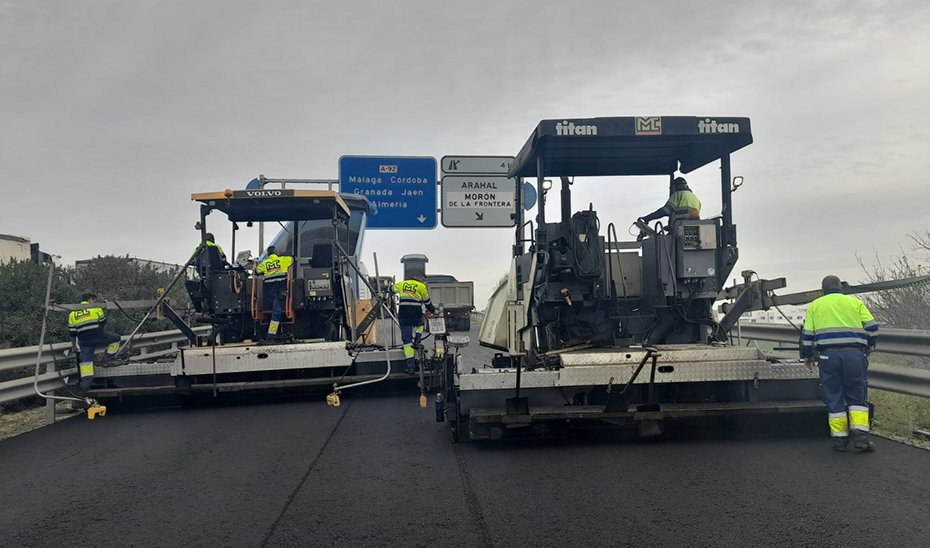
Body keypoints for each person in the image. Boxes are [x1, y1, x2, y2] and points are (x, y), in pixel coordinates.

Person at [801, 275, 880, 452]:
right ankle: (861, 439)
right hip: (854, 355)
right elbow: (873, 328)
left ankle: (839, 441)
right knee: (857, 396)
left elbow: (807, 336)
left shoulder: (815, 305)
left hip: (828, 357)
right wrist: (870, 346)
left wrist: (808, 356)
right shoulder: (854, 303)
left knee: (834, 396)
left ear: (823, 289)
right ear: (840, 287)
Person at [67, 293, 121, 390]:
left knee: (86, 362)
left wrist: (73, 346)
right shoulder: (95, 308)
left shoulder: (72, 313)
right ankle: (108, 357)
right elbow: (103, 321)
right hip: (99, 337)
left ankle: (85, 386)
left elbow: (72, 333)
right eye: (94, 300)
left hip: (84, 341)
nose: (95, 302)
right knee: (116, 338)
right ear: (91, 300)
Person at [392, 274, 436, 374]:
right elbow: (427, 301)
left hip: (404, 316)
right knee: (420, 324)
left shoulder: (402, 284)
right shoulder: (421, 286)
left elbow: (391, 289)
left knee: (407, 342)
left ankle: (410, 367)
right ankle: (417, 340)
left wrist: (388, 289)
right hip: (416, 315)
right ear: (421, 279)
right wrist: (432, 310)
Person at [255, 245, 293, 339]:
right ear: (276, 253)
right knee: (277, 312)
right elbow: (293, 259)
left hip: (269, 294)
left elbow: (257, 271)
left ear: (268, 254)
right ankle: (271, 334)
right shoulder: (283, 260)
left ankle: (272, 333)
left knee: (275, 311)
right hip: (280, 292)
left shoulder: (265, 263)